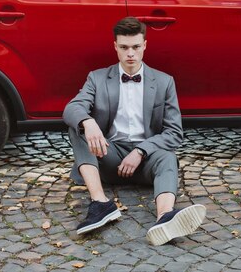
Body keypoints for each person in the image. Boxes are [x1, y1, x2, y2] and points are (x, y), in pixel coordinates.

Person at [63, 16, 206, 245]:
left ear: (145, 46)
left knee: (168, 156)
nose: (130, 53)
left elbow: (174, 133)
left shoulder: (164, 81)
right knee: (78, 127)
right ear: (115, 47)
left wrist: (140, 151)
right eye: (124, 47)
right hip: (109, 157)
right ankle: (100, 204)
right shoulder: (97, 78)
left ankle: (165, 217)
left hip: (146, 161)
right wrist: (88, 123)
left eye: (136, 47)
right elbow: (73, 108)